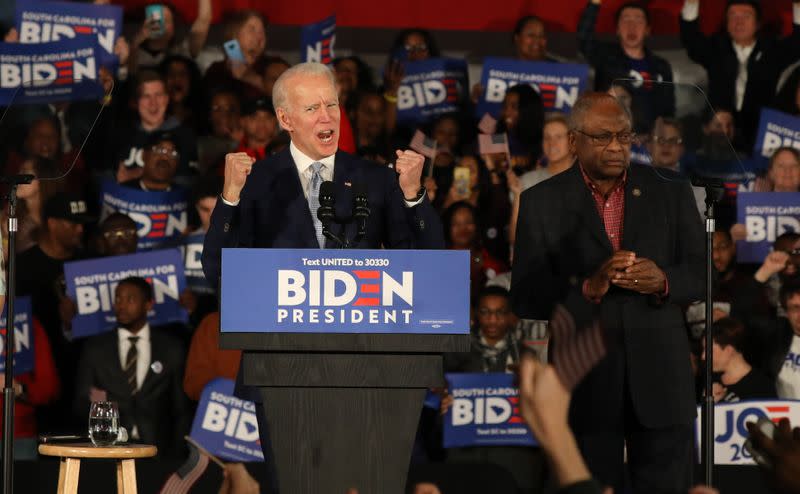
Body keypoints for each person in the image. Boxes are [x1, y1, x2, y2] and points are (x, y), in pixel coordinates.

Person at [201, 62, 445, 466]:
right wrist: (229, 198)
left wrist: (414, 195)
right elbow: (219, 272)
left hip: (365, 369)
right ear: (286, 119)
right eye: (312, 108)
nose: (327, 116)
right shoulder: (256, 181)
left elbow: (428, 264)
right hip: (281, 370)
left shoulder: (376, 178)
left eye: (331, 104)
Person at [511, 92, 704, 493]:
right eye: (602, 137)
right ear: (574, 141)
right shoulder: (540, 201)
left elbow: (705, 274)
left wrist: (663, 281)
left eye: (623, 136)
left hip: (662, 380)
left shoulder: (671, 190)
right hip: (585, 382)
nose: (616, 147)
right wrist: (587, 286)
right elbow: (526, 296)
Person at [441, 286, 545, 493]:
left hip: (511, 455)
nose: (492, 319)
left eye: (500, 312)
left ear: (510, 316)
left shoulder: (525, 355)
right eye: (485, 312)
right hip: (465, 451)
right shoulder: (455, 351)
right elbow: (434, 393)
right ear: (475, 313)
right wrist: (442, 401)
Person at [73, 277, 191, 457]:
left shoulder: (170, 348)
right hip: (109, 451)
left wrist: (176, 454)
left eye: (130, 299)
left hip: (160, 452)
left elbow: (181, 407)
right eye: (118, 298)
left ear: (148, 305)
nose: (121, 305)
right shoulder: (95, 348)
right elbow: (82, 401)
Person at [17, 193, 94, 433]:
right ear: (51, 223)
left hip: (82, 375)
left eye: (82, 223)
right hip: (39, 381)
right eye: (72, 223)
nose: (80, 229)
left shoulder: (90, 262)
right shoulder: (22, 267)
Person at [680, 0, 800, 151]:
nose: (739, 21)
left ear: (757, 24)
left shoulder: (772, 50)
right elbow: (691, 40)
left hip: (760, 134)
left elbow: (797, 44)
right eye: (733, 16)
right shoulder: (717, 47)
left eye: (746, 16)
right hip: (718, 133)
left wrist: (797, 6)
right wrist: (691, 3)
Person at [578, 1, 675, 133]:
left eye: (638, 21)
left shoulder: (661, 66)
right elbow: (584, 38)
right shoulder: (605, 56)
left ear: (647, 30)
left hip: (651, 139)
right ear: (617, 29)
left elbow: (669, 111)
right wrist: (594, 3)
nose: (632, 26)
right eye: (626, 20)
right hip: (611, 132)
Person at [703, 317, 776, 403]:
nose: (703, 356)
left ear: (728, 350)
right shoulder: (710, 380)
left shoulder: (761, 387)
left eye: (708, 350)